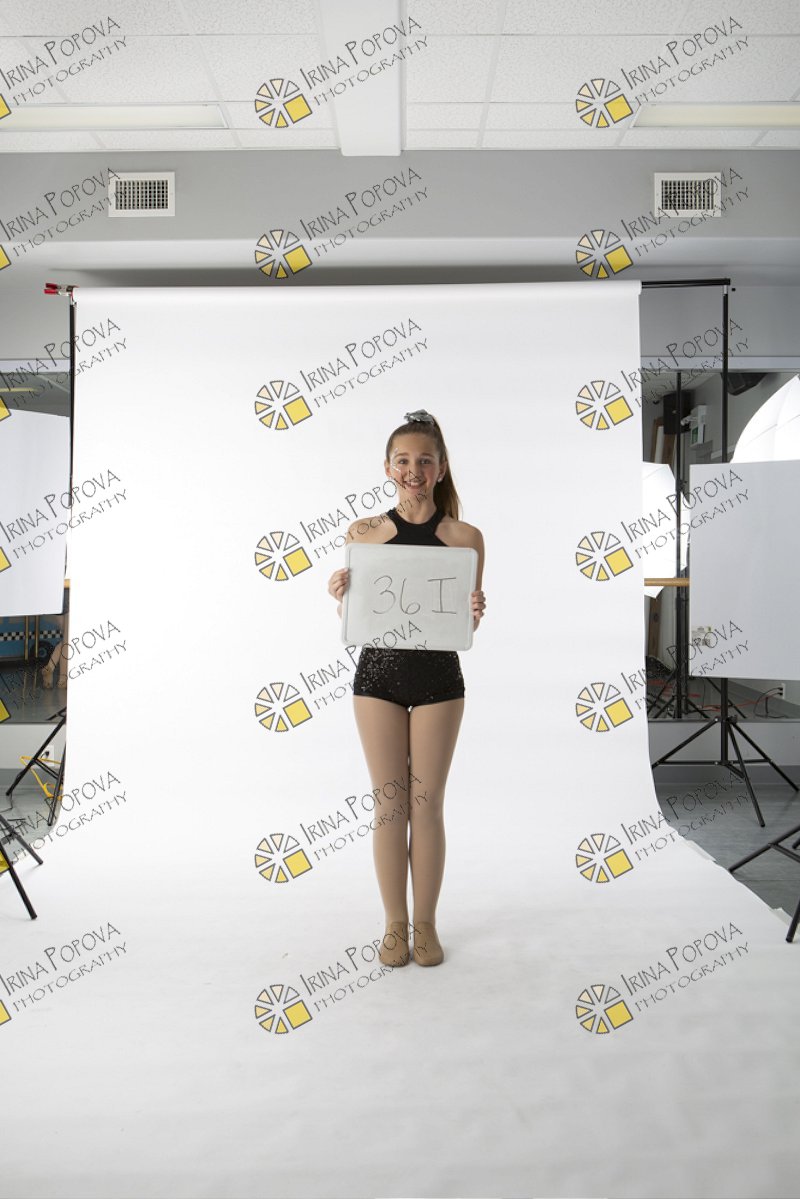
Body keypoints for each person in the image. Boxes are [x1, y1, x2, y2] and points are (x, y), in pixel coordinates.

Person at [327, 410, 486, 968]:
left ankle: (426, 923)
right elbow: (358, 617)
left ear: (441, 468)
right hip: (378, 677)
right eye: (402, 460)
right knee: (389, 805)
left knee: (427, 804)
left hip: (439, 678)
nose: (413, 470)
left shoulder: (465, 537)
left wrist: (475, 609)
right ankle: (395, 922)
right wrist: (340, 594)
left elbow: (463, 622)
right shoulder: (363, 533)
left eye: (424, 460)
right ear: (387, 467)